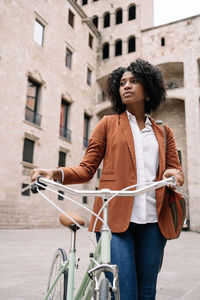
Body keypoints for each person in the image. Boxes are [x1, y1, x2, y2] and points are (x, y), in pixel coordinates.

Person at [31, 58, 184, 300]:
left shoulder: (164, 132)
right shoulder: (108, 124)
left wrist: (173, 175)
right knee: (124, 292)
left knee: (147, 292)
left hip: (155, 223)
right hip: (114, 222)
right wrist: (55, 173)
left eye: (134, 81)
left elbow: (176, 171)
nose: (127, 86)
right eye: (122, 82)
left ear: (148, 90)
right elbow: (86, 169)